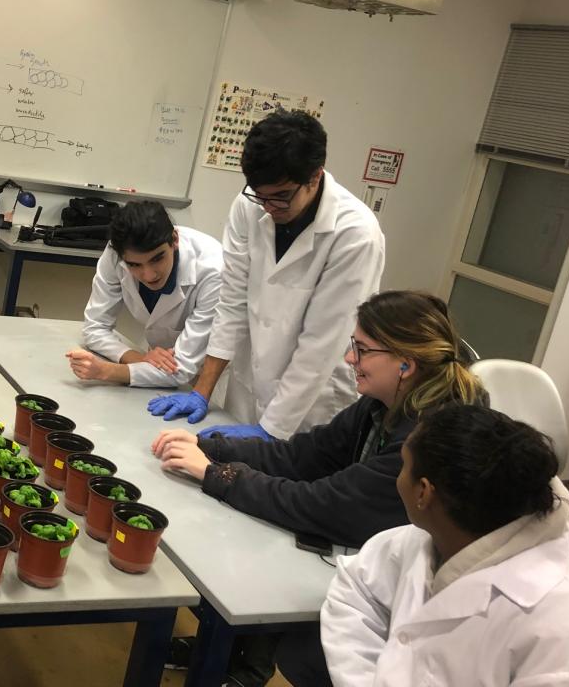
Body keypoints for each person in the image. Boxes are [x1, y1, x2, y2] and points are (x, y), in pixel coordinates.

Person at [152, 291, 486, 684]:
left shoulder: (429, 440)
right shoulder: (385, 403)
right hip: (368, 551)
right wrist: (210, 447)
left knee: (288, 621)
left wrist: (217, 475)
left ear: (405, 364)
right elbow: (304, 456)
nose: (349, 360)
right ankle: (237, 662)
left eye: (361, 350)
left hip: (410, 598)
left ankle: (240, 663)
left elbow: (323, 506)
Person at [320, 405, 569, 687]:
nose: (398, 477)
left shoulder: (565, 633)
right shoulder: (433, 539)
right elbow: (356, 587)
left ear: (423, 492)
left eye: (403, 465)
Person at [149, 110, 384, 435]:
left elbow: (321, 344)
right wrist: (201, 390)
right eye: (260, 195)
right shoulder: (250, 206)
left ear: (315, 176)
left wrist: (271, 430)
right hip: (249, 386)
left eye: (281, 197)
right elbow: (231, 303)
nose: (268, 207)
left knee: (287, 479)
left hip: (311, 405)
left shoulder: (355, 234)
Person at [66, 200, 223, 387]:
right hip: (159, 364)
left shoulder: (213, 270)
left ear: (174, 240)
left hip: (212, 370)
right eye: (134, 265)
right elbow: (95, 327)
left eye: (157, 259)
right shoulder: (115, 254)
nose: (149, 275)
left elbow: (180, 368)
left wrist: (105, 371)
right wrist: (139, 358)